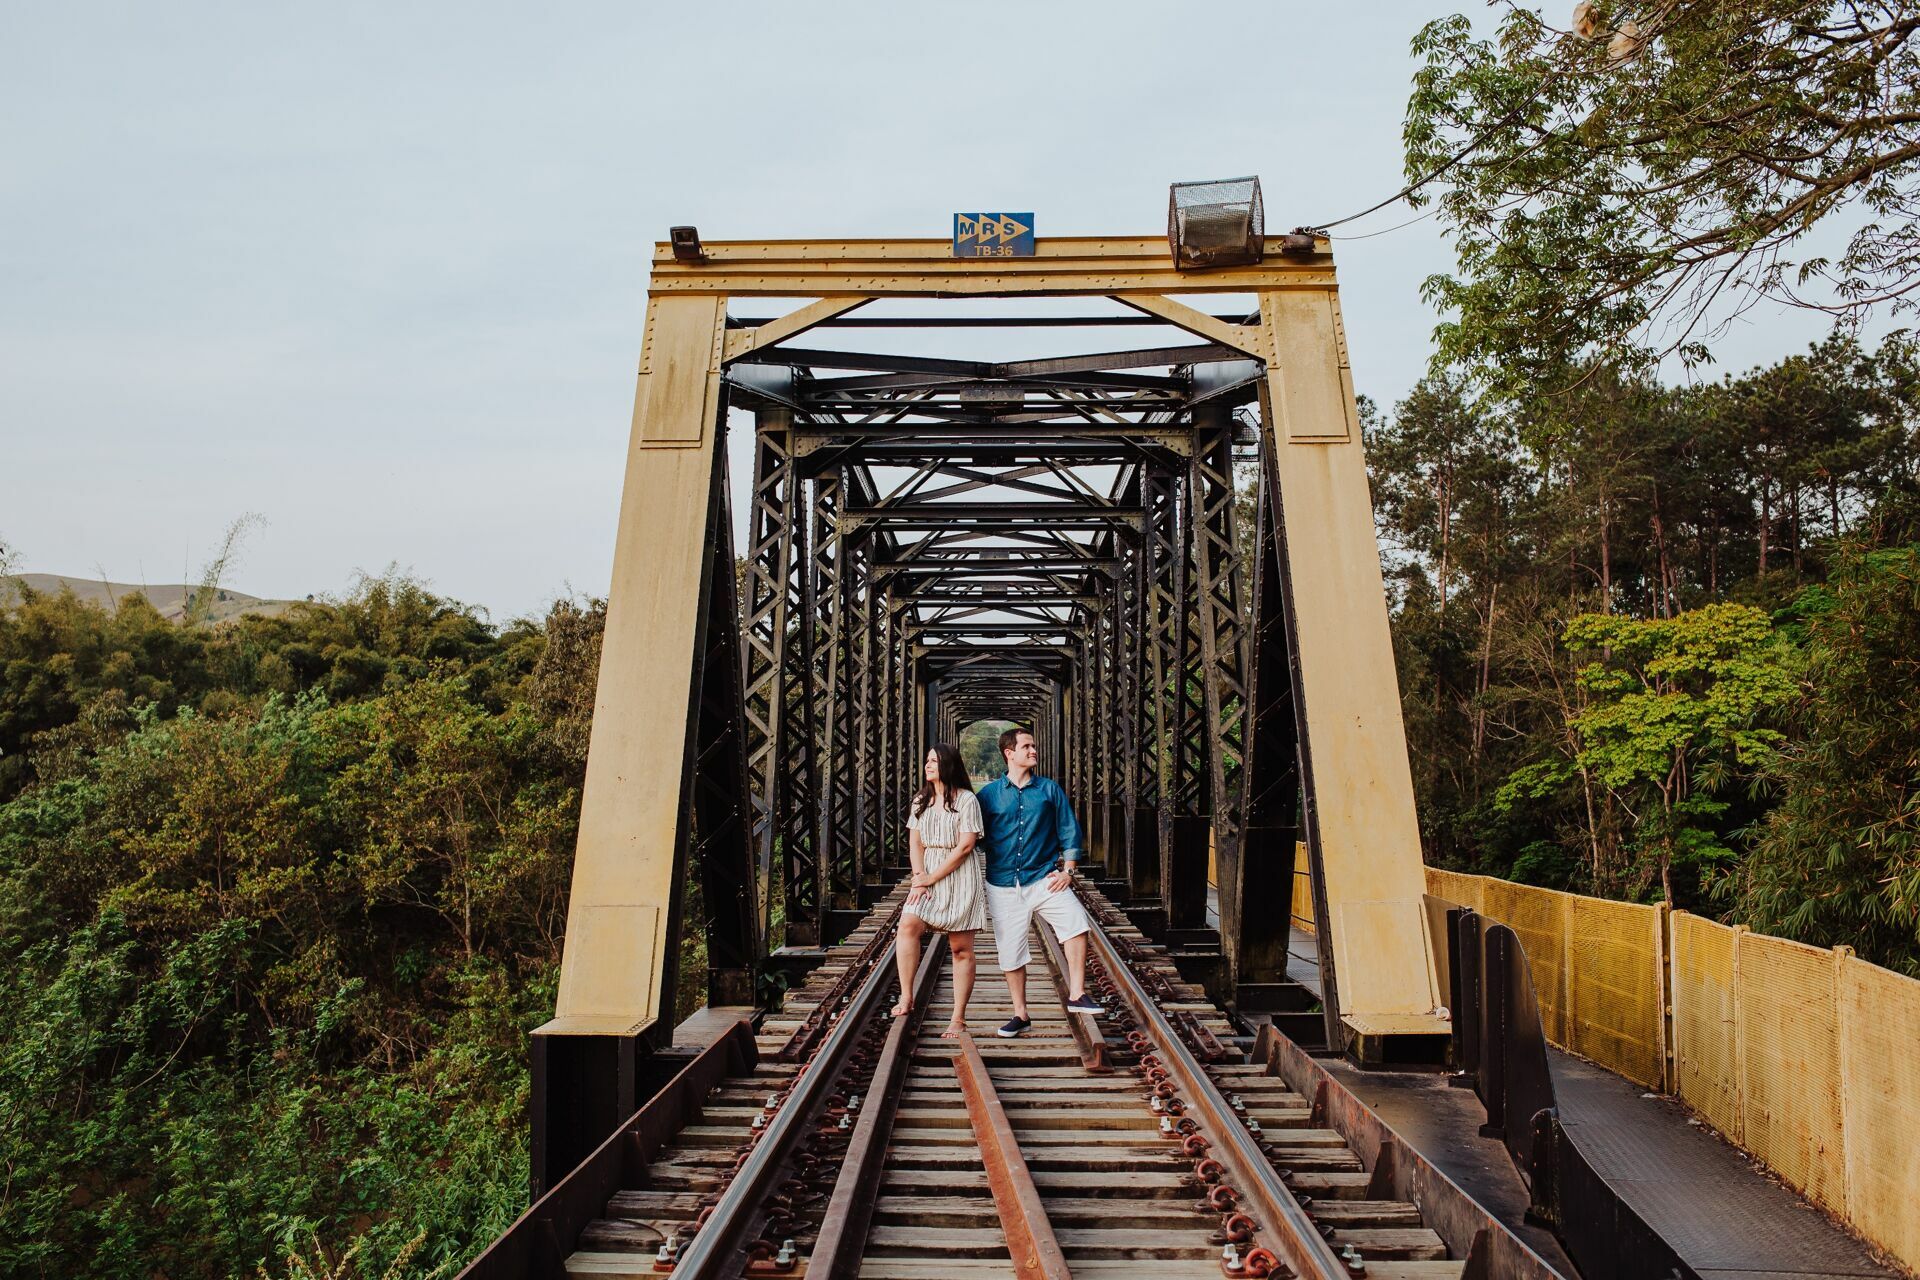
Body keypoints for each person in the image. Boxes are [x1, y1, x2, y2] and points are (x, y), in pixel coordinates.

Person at [976, 727, 1101, 1037]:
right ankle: (1020, 1014)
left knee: (1076, 922)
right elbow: (973, 836)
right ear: (1009, 753)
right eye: (1027, 746)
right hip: (1002, 882)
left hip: (1043, 877)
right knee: (1010, 951)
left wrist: (1068, 871)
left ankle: (1076, 994)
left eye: (1033, 745)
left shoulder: (1049, 790)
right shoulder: (988, 795)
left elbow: (1068, 830)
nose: (1034, 750)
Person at [892, 742, 987, 1038]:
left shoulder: (967, 800)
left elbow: (966, 846)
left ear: (948, 764)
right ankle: (907, 996)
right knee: (908, 924)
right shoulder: (921, 799)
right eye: (927, 760)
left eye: (934, 761)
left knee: (960, 949)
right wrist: (920, 876)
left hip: (958, 875)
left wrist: (931, 878)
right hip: (928, 872)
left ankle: (958, 1018)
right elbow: (915, 842)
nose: (928, 765)